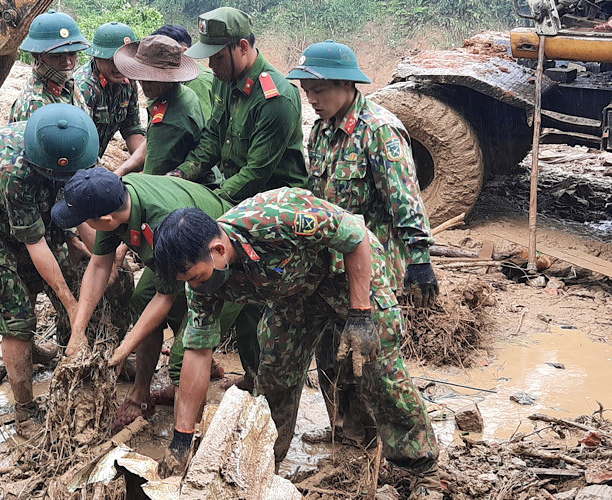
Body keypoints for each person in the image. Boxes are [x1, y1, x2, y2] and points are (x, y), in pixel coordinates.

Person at [152, 188, 442, 500]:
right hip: (291, 295)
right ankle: (261, 465)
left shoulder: (278, 218)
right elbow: (198, 352)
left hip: (348, 274)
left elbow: (355, 236)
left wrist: (360, 315)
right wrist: (182, 436)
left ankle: (421, 469)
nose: (195, 286)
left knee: (377, 366)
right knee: (275, 376)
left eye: (197, 277)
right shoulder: (201, 280)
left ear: (218, 250)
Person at [287, 40, 439, 445]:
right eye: (307, 92)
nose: (311, 99)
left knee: (377, 363)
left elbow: (405, 198)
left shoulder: (379, 131)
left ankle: (411, 453)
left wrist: (420, 259)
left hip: (373, 267)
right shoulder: (320, 131)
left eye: (318, 90)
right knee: (331, 354)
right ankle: (348, 430)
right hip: (329, 264)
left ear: (345, 85)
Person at [50, 167, 258, 430]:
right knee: (140, 303)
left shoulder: (159, 220)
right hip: (174, 255)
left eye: (84, 221)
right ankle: (140, 393)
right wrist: (77, 332)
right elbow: (100, 265)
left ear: (104, 219)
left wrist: (123, 351)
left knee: (186, 354)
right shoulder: (114, 197)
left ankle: (189, 434)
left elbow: (164, 298)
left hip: (217, 261)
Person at [0, 104, 98, 437]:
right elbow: (35, 243)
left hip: (24, 218)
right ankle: (25, 412)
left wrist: (93, 249)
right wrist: (72, 307)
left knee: (36, 282)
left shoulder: (73, 144)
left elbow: (77, 201)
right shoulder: (15, 169)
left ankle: (33, 353)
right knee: (15, 314)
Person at [168, 7, 308, 205]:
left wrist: (209, 201)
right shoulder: (225, 78)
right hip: (237, 192)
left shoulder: (276, 98)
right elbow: (214, 137)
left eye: (218, 57)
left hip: (276, 203)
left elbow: (256, 173)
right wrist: (181, 174)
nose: (211, 65)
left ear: (243, 47)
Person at [112, 34, 204, 176]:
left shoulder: (168, 123)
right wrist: (121, 171)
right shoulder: (184, 93)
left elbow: (150, 180)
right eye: (141, 77)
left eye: (152, 79)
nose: (144, 84)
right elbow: (149, 146)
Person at [75, 22, 146, 167]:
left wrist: (147, 162)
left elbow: (132, 128)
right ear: (96, 57)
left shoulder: (128, 81)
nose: (119, 67)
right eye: (112, 60)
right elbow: (78, 147)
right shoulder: (84, 88)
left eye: (124, 60)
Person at [8, 10, 90, 123]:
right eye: (57, 56)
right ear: (37, 56)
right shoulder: (35, 104)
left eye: (72, 54)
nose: (67, 62)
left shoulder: (69, 85)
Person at [151, 24, 215, 121]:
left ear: (183, 53)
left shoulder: (197, 82)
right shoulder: (177, 78)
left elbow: (202, 130)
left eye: (161, 54)